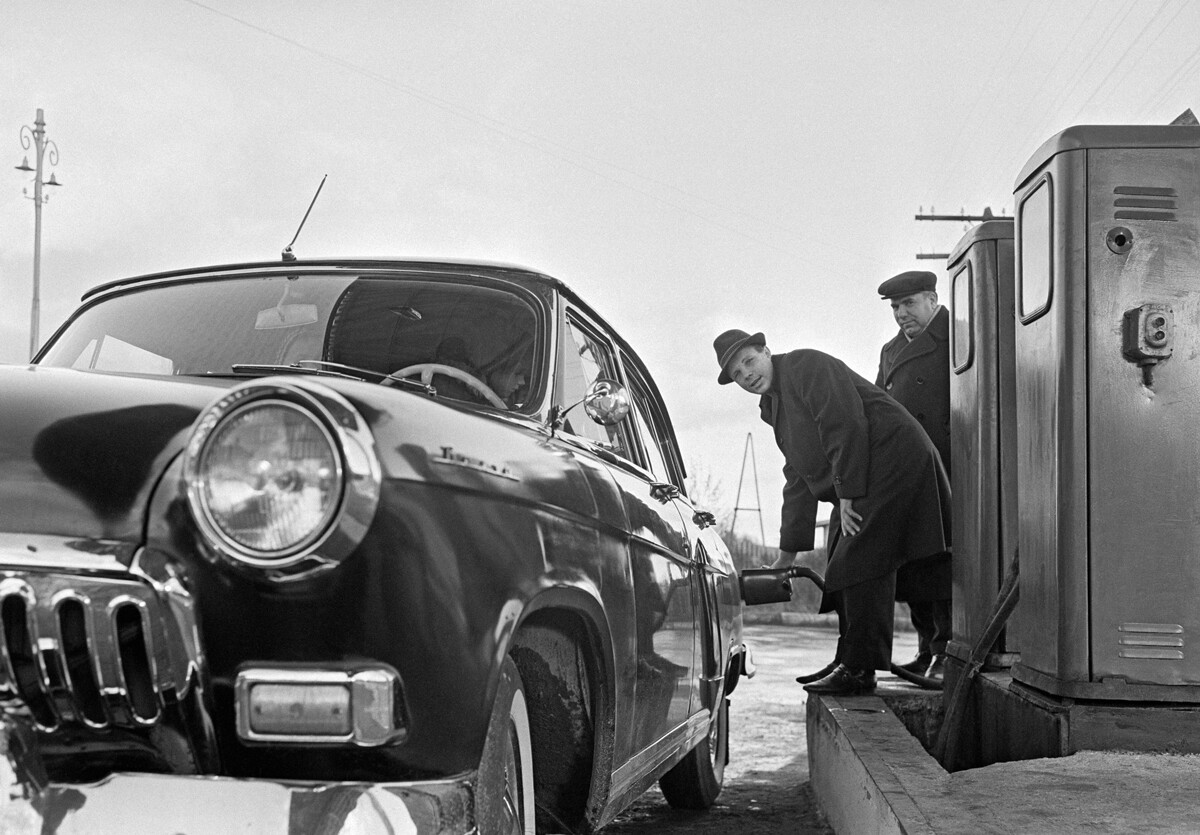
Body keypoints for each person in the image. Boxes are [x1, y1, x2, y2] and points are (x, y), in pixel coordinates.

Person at [714, 328, 950, 695]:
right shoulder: (773, 406)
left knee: (859, 556)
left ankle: (859, 670)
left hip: (891, 457)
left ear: (766, 351)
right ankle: (849, 658)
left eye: (749, 361)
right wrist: (786, 553)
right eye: (738, 374)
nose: (748, 375)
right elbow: (798, 475)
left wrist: (848, 493)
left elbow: (845, 423)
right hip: (862, 470)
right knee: (842, 556)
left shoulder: (806, 365)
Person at [875, 270, 953, 680]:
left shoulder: (958, 337)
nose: (901, 313)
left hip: (947, 465)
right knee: (911, 563)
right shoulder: (890, 351)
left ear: (932, 298)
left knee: (938, 563)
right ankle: (926, 648)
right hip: (905, 470)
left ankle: (946, 650)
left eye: (908, 304)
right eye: (895, 307)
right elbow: (878, 406)